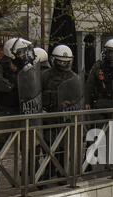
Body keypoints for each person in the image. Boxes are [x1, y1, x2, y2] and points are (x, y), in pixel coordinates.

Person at [0, 37, 35, 191]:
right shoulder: (0, 66)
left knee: (29, 146)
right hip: (6, 111)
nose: (24, 55)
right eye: (20, 52)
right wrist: (13, 86)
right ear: (11, 52)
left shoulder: (27, 67)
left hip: (23, 111)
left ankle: (31, 175)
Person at [41, 45, 79, 180]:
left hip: (65, 116)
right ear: (54, 60)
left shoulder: (74, 77)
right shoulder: (45, 75)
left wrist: (72, 103)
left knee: (63, 145)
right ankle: (47, 170)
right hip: (49, 115)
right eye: (60, 61)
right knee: (47, 144)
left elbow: (78, 96)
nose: (63, 64)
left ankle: (62, 172)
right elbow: (37, 94)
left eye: (66, 61)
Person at [84, 38, 113, 112]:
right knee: (100, 122)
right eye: (111, 52)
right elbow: (89, 85)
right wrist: (87, 102)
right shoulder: (98, 66)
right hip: (101, 102)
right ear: (106, 52)